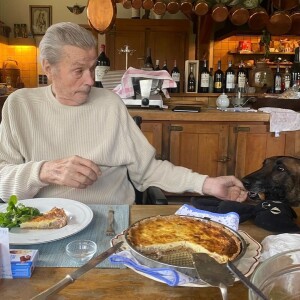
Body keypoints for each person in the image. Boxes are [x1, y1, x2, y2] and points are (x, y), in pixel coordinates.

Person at [0, 22, 247, 205]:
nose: (90, 80)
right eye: (78, 70)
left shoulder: (110, 104)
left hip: (111, 220)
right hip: (42, 223)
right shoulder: (20, 105)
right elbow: (3, 180)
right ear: (49, 68)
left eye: (92, 67)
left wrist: (208, 184)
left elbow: (148, 170)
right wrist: (44, 171)